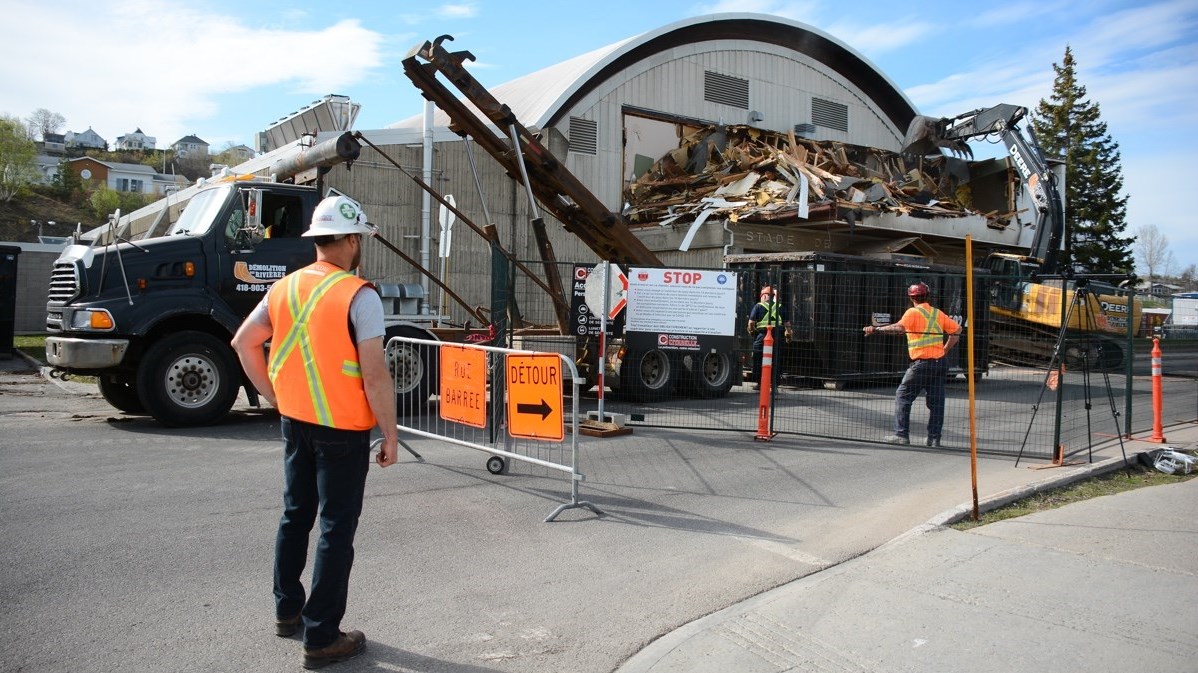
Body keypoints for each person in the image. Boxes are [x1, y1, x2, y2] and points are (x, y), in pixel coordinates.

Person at [231, 195, 399, 670]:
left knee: (295, 515)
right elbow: (375, 374)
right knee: (335, 529)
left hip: (296, 421)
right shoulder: (358, 294)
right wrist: (389, 434)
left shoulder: (283, 288)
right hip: (341, 429)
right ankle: (322, 637)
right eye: (359, 238)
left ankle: (288, 611)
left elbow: (244, 342)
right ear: (350, 240)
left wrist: (273, 397)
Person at [862, 282, 960, 447]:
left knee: (903, 396)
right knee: (937, 402)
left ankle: (902, 435)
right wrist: (944, 349)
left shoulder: (912, 312)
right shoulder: (937, 313)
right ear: (928, 296)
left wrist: (876, 329)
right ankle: (934, 439)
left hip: (921, 364)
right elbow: (957, 331)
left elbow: (898, 328)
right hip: (939, 363)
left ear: (911, 297)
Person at [747, 285, 792, 388]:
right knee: (776, 359)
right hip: (777, 337)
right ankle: (775, 384)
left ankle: (760, 383)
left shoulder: (758, 306)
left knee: (758, 358)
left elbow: (751, 323)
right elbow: (787, 325)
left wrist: (752, 332)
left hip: (762, 336)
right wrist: (788, 336)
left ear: (765, 296)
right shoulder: (781, 307)